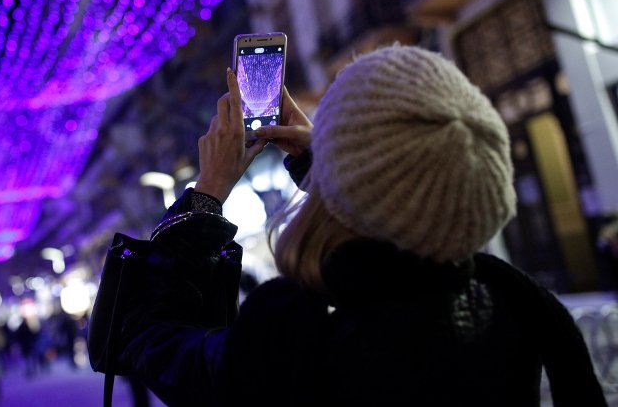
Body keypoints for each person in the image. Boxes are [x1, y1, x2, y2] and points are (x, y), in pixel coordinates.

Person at [115, 45, 606, 406]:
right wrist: (331, 165)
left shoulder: (294, 327)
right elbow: (397, 212)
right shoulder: (515, 303)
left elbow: (146, 337)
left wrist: (206, 195)